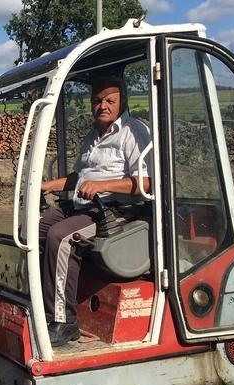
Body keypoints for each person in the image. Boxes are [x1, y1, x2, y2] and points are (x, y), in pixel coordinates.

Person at [39, 75, 152, 346]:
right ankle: (40, 301)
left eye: (110, 100)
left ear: (122, 101)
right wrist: (45, 185)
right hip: (81, 205)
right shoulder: (93, 134)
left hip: (111, 212)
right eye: (97, 101)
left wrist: (103, 185)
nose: (103, 106)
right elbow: (79, 177)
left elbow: (147, 182)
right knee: (33, 228)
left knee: (61, 237)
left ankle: (63, 322)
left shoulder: (134, 131)